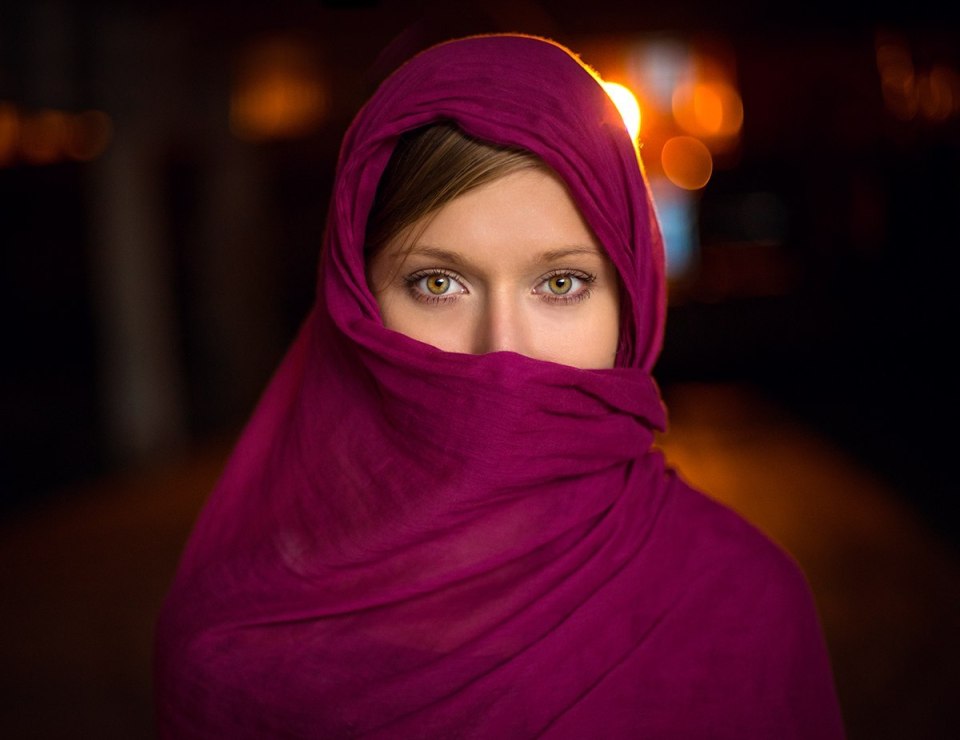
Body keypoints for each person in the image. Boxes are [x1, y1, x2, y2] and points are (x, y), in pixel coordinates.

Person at [154, 34, 845, 738]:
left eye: (562, 283)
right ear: (355, 303)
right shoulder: (238, 645)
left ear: (631, 303)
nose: (503, 351)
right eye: (438, 283)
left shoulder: (745, 606)